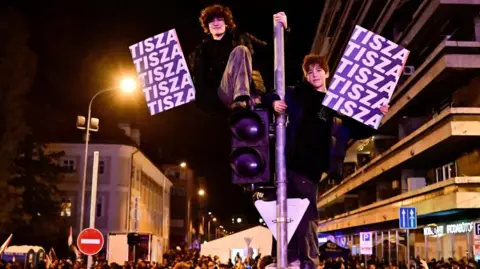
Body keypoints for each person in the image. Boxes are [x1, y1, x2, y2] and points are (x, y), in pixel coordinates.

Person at [262, 54, 389, 268]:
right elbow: (270, 95)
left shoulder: (337, 102)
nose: (314, 75)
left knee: (294, 213)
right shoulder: (298, 94)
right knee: (304, 214)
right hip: (293, 164)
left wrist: (377, 115)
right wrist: (274, 102)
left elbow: (358, 129)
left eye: (318, 70)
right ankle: (304, 261)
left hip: (314, 169)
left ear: (327, 73)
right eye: (310, 72)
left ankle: (293, 259)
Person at [189, 4, 289, 113]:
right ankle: (240, 99)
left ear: (226, 23)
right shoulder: (202, 50)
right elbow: (196, 77)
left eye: (219, 19)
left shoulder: (242, 38)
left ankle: (242, 99)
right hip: (223, 95)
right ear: (207, 26)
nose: (216, 23)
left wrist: (283, 29)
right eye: (212, 21)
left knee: (241, 50)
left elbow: (271, 51)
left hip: (248, 94)